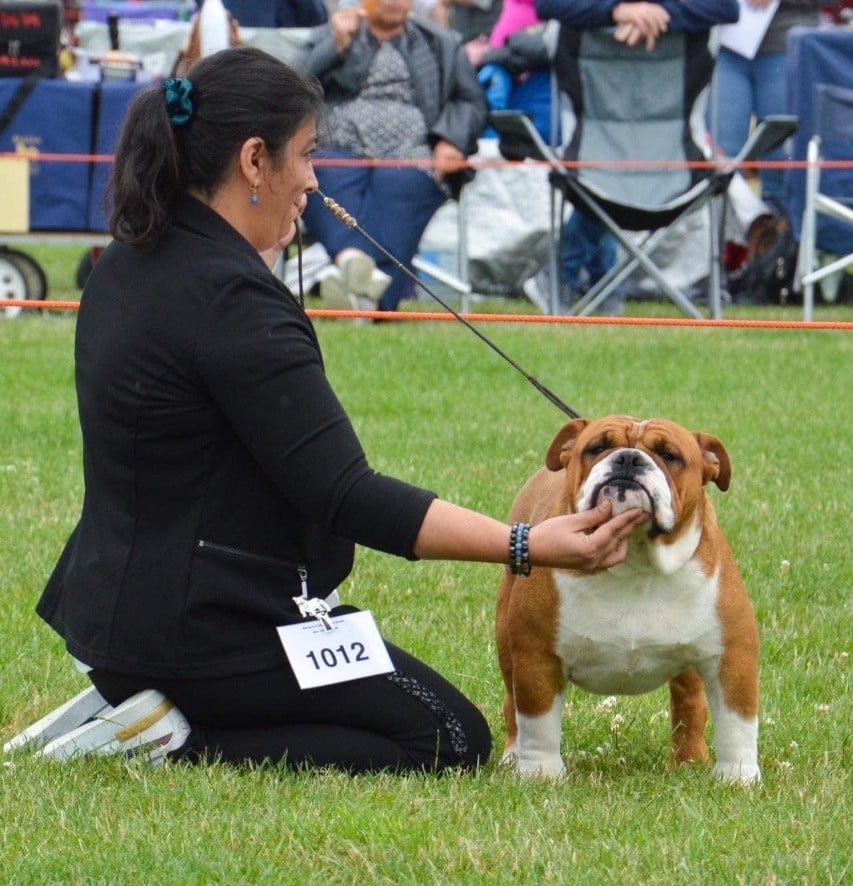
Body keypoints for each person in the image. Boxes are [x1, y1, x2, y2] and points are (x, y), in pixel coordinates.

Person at [21, 47, 646, 775]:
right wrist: (526, 544)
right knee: (447, 735)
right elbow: (345, 494)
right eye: (307, 156)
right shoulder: (233, 303)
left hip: (112, 620)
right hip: (204, 631)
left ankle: (135, 703)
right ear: (254, 161)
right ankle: (169, 737)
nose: (314, 180)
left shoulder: (127, 260)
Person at [522, 0, 739, 314]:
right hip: (605, 154)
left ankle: (574, 279)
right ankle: (599, 284)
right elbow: (548, 5)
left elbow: (726, 8)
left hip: (668, 162)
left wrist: (659, 14)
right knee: (602, 178)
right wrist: (616, 11)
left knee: (603, 181)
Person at [297, 0, 488, 313]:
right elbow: (292, 82)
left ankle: (356, 277)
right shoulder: (332, 33)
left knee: (400, 181)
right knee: (317, 175)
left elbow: (471, 101)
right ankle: (368, 292)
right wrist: (334, 45)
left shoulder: (441, 42)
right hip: (338, 146)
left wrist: (451, 141)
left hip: (412, 151)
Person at [709, 0, 822, 215]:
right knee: (721, 157)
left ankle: (781, 240)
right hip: (723, 44)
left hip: (788, 45)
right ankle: (726, 238)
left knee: (782, 159)